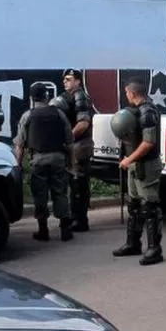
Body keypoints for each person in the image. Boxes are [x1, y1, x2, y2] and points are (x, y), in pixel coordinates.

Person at [13, 82, 75, 243]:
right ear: (47, 96)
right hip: (58, 158)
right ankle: (65, 230)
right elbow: (69, 142)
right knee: (60, 193)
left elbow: (19, 145)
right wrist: (71, 162)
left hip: (38, 160)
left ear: (32, 98)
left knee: (40, 195)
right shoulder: (59, 114)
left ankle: (43, 230)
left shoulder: (28, 116)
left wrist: (18, 165)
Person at [111, 79, 164, 266]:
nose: (126, 95)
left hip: (146, 165)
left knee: (149, 207)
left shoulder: (147, 112)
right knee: (134, 206)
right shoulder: (135, 110)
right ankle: (133, 243)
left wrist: (129, 158)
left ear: (131, 93)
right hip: (134, 165)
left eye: (126, 92)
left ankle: (154, 249)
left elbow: (148, 142)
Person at [53, 69, 96, 232]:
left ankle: (81, 220)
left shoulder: (79, 95)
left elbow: (83, 123)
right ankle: (73, 217)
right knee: (72, 182)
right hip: (73, 145)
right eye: (64, 79)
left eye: (69, 79)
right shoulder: (66, 97)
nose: (66, 82)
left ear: (78, 81)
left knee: (79, 183)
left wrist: (67, 138)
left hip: (80, 144)